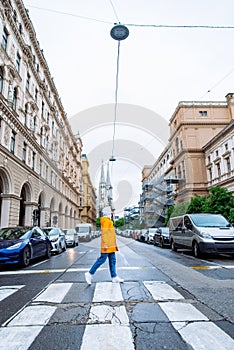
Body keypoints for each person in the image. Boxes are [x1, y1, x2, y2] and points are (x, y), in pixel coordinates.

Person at [85, 208, 124, 285]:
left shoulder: (109, 221)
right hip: (107, 245)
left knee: (112, 260)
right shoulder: (106, 221)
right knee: (102, 259)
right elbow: (105, 233)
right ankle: (89, 274)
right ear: (108, 213)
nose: (112, 213)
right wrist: (105, 244)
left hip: (111, 245)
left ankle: (114, 276)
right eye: (111, 212)